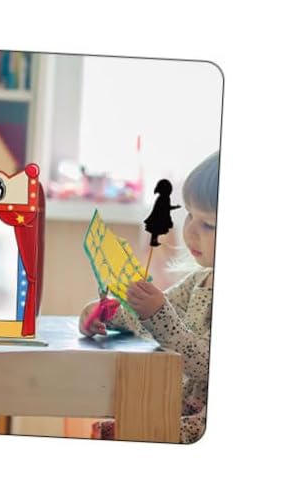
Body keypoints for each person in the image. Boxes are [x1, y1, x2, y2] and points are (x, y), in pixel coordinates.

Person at [79, 151, 217, 443]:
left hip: (199, 426)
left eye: (208, 225)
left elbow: (206, 364)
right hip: (176, 405)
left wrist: (157, 313)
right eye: (189, 215)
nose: (190, 231)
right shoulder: (199, 280)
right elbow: (149, 319)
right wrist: (109, 312)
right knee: (112, 426)